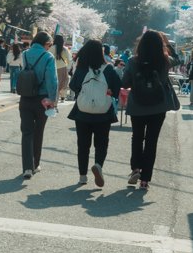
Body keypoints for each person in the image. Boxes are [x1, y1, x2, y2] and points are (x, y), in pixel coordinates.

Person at [123, 30, 176, 191]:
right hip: (158, 106)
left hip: (137, 105)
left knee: (137, 137)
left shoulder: (133, 61)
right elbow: (178, 58)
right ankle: (145, 180)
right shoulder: (166, 61)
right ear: (161, 45)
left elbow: (125, 83)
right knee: (151, 141)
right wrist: (165, 42)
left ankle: (135, 169)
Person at [67, 39, 121, 187]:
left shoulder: (82, 68)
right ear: (101, 52)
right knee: (101, 143)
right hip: (103, 113)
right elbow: (117, 88)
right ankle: (98, 165)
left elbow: (73, 85)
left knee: (83, 145)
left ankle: (82, 176)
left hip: (82, 112)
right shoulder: (108, 69)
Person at [16, 31, 58, 180]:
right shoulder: (48, 57)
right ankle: (35, 163)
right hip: (42, 99)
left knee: (27, 132)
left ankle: (27, 167)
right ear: (46, 43)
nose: (50, 47)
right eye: (50, 45)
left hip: (25, 97)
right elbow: (52, 80)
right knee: (38, 131)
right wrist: (53, 99)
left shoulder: (25, 54)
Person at [50, 34, 72, 102]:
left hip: (53, 68)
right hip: (63, 68)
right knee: (63, 83)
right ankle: (62, 97)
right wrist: (68, 68)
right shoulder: (65, 49)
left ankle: (54, 100)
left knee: (54, 85)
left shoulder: (51, 48)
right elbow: (69, 59)